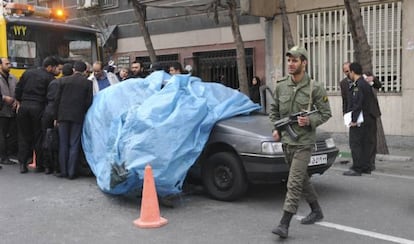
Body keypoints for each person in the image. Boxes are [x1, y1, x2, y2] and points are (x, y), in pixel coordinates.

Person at [269, 46, 332, 238]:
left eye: (295, 60)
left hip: (304, 142)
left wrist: (310, 121)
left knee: (293, 183)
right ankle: (316, 210)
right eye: (289, 60)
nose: (290, 64)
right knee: (302, 179)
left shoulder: (315, 87)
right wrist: (276, 128)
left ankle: (284, 224)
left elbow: (326, 113)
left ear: (304, 63)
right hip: (287, 142)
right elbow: (274, 111)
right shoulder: (281, 86)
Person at [15, 56, 60, 174]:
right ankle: (40, 164)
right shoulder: (50, 78)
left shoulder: (28, 73)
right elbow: (50, 96)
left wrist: (20, 100)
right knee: (38, 136)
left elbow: (18, 89)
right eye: (56, 68)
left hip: (24, 106)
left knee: (23, 136)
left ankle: (22, 164)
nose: (57, 70)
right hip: (38, 107)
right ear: (49, 67)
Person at [54, 61, 93, 179]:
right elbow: (88, 102)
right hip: (78, 116)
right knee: (74, 143)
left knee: (63, 143)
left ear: (74, 69)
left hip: (63, 116)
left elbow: (57, 100)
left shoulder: (63, 81)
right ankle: (72, 172)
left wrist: (56, 117)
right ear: (85, 70)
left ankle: (63, 171)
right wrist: (82, 111)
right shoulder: (88, 83)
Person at [343, 62, 382, 176]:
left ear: (353, 72)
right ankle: (366, 166)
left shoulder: (358, 84)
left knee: (355, 143)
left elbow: (357, 103)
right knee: (366, 143)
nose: (348, 74)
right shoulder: (364, 83)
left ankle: (357, 168)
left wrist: (354, 120)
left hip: (360, 119)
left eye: (349, 72)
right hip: (367, 118)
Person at [41, 62, 74, 174]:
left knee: (46, 138)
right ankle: (57, 166)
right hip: (58, 114)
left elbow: (48, 97)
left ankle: (46, 166)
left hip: (48, 111)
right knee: (58, 140)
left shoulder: (53, 82)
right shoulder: (67, 84)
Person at [0, 57, 18, 166]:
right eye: (6, 64)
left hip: (12, 110)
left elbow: (18, 91)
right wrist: (3, 98)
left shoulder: (13, 78)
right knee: (1, 135)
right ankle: (3, 157)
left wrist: (17, 101)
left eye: (9, 63)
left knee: (10, 135)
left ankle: (8, 154)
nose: (9, 65)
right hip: (2, 111)